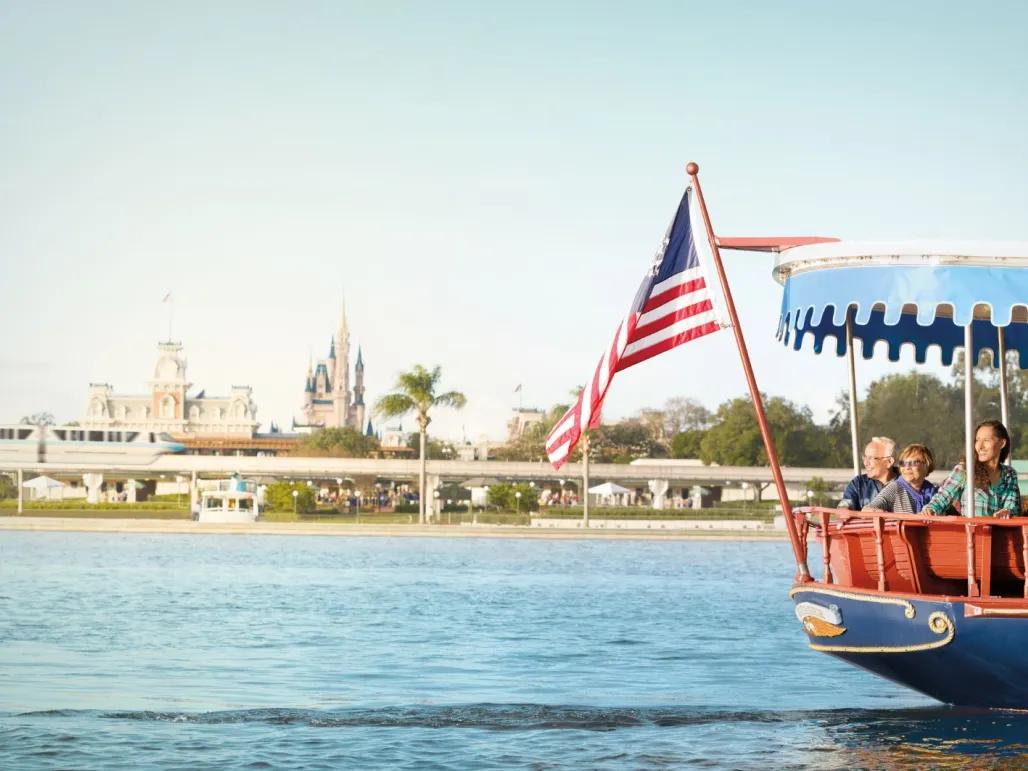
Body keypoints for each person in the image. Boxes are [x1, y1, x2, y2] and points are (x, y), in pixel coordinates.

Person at [922, 420, 1021, 518]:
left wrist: (1007, 512)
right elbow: (941, 498)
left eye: (986, 440)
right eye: (977, 440)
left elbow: (1013, 507)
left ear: (1002, 443)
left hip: (999, 533)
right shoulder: (964, 469)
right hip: (972, 532)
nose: (980, 446)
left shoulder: (1009, 474)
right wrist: (930, 509)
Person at [864, 443, 939, 513]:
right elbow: (868, 509)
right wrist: (883, 514)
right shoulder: (895, 488)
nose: (907, 467)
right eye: (903, 463)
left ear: (927, 465)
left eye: (914, 463)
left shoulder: (935, 491)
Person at [839, 436, 899, 509]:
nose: (865, 463)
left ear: (889, 462)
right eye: (865, 457)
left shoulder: (907, 484)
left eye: (871, 458)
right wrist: (844, 510)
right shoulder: (858, 484)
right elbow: (843, 508)